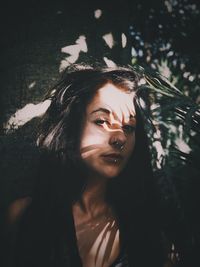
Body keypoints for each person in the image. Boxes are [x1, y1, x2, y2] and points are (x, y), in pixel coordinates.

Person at [4, 64, 167, 267]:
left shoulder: (149, 228)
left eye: (128, 127)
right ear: (71, 124)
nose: (120, 138)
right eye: (101, 121)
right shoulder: (23, 216)